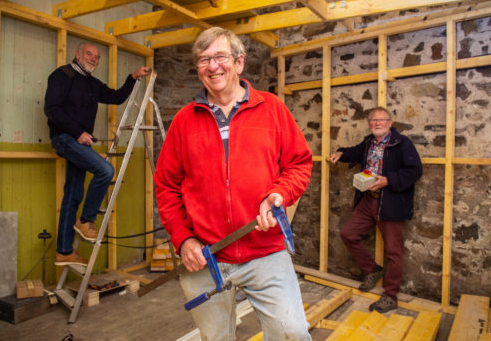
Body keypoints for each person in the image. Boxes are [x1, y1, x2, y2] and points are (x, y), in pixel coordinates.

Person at [154, 27, 313, 340]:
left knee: (292, 333)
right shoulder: (185, 121)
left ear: (239, 63)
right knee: (216, 338)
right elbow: (166, 186)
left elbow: (299, 164)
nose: (212, 66)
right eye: (204, 60)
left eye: (220, 57)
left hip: (265, 253)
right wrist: (184, 239)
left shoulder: (272, 109)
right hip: (206, 256)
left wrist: (279, 193)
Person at [44, 42, 151, 266]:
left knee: (72, 195)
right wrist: (78, 132)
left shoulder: (92, 84)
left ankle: (64, 251)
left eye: (97, 57)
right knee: (105, 170)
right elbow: (52, 109)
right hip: (65, 139)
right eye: (89, 54)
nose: (93, 59)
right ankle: (86, 220)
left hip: (80, 143)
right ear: (77, 54)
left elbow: (117, 97)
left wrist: (133, 77)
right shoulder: (61, 76)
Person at [330, 106, 422, 313]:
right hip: (368, 200)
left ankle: (390, 296)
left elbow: (415, 170)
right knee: (348, 234)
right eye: (373, 120)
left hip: (390, 203)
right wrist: (340, 153)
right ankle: (372, 270)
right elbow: (354, 151)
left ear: (390, 123)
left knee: (393, 252)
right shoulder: (368, 142)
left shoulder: (402, 144)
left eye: (381, 120)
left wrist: (388, 181)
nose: (377, 123)